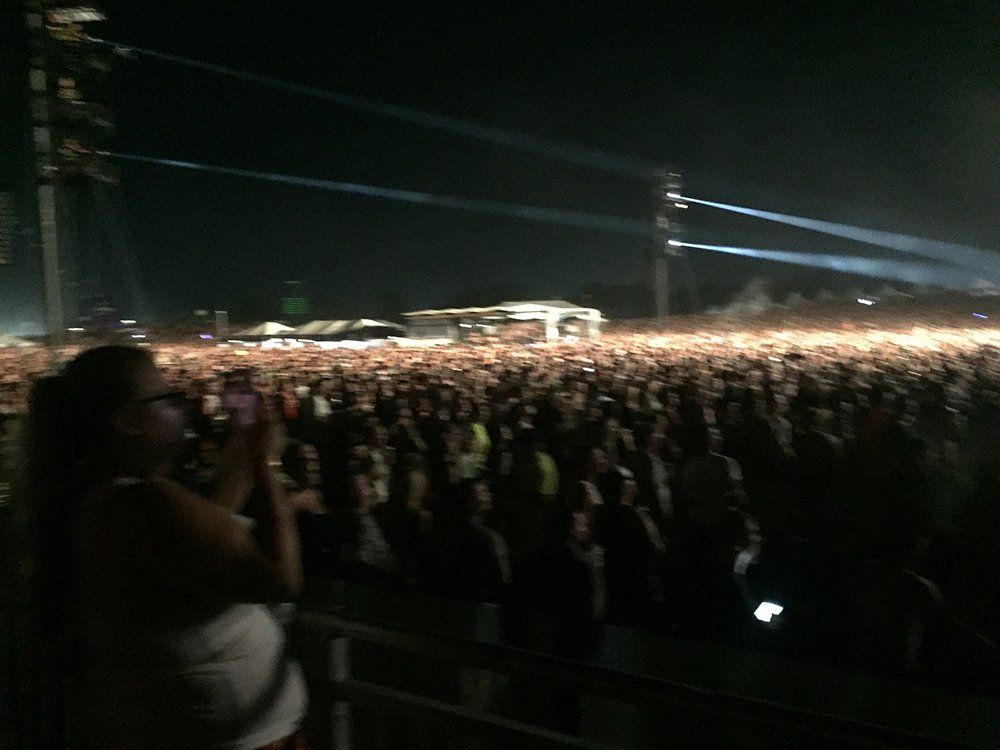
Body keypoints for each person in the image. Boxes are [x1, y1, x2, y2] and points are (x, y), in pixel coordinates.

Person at [23, 346, 307, 749]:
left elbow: (205, 533)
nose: (181, 406)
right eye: (166, 398)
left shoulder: (113, 501)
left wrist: (244, 449)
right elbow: (281, 578)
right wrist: (265, 464)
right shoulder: (144, 503)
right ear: (128, 421)